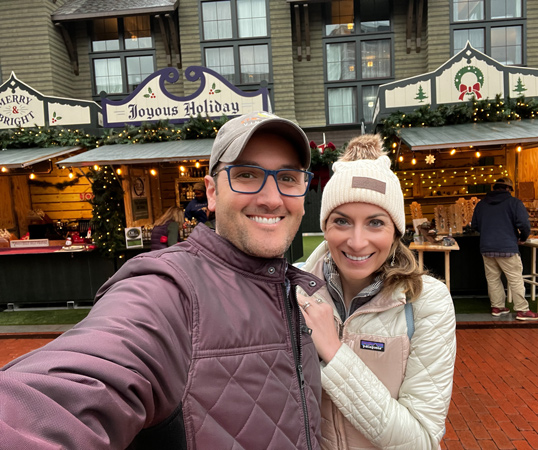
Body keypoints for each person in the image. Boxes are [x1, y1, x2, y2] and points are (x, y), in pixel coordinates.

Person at [0, 111, 324, 449]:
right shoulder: (166, 289)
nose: (271, 199)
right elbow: (65, 391)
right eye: (246, 175)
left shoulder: (299, 289)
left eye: (287, 178)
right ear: (212, 193)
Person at [297, 134, 456, 449]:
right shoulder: (295, 290)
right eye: (341, 221)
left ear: (396, 231)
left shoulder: (427, 302)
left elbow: (421, 440)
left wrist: (335, 353)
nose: (357, 242)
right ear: (324, 226)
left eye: (375, 223)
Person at [471, 177, 538, 320]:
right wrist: (522, 238)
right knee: (515, 279)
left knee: (493, 279)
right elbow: (524, 225)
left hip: (487, 247)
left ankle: (497, 307)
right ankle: (522, 309)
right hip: (507, 246)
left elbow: (475, 226)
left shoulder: (481, 204)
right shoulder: (514, 203)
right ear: (508, 189)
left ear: (494, 188)